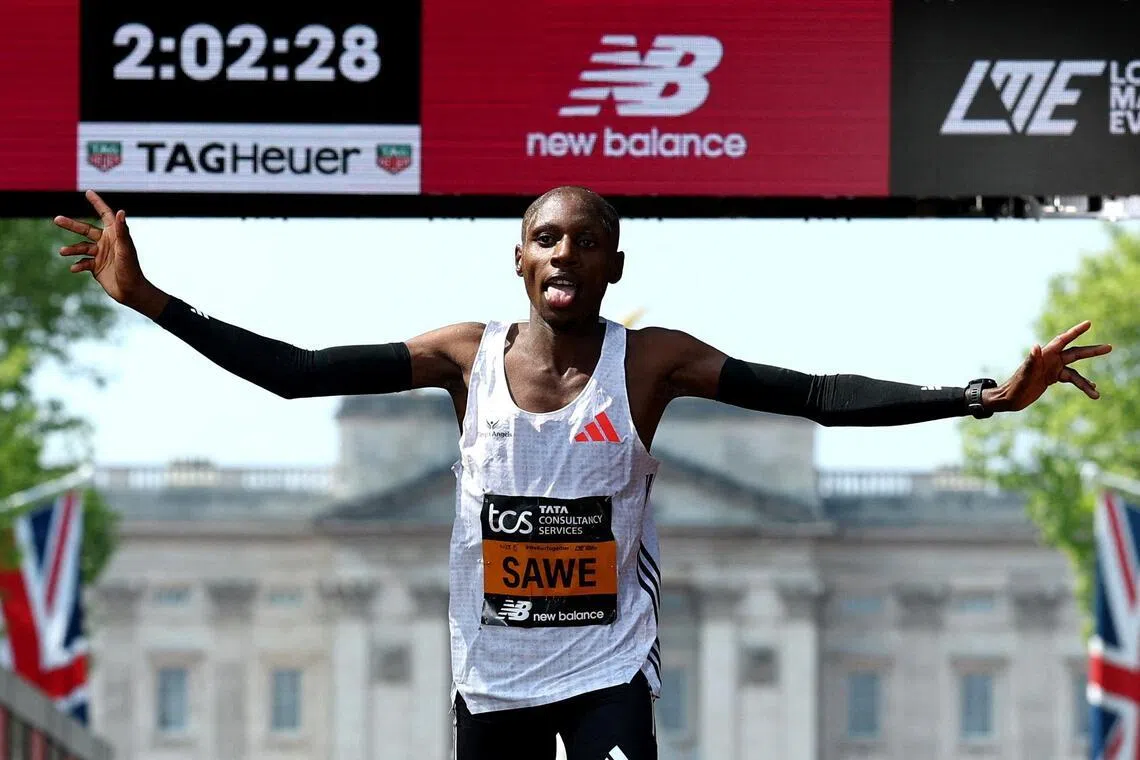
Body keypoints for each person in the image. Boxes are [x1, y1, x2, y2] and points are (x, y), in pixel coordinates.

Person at [54, 187, 1110, 760]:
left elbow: (815, 394)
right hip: (493, 680)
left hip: (609, 674)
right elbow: (293, 374)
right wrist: (152, 301)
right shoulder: (464, 356)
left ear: (615, 265)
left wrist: (983, 394)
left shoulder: (651, 362)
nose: (564, 254)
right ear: (520, 258)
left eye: (587, 241)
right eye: (545, 238)